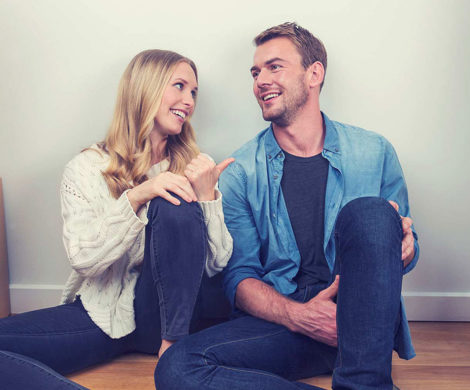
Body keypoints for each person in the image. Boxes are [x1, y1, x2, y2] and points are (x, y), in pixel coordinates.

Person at [155, 23, 419, 390]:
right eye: (255, 72)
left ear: (314, 74)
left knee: (372, 213)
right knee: (177, 366)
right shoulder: (240, 171)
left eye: (274, 67)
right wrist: (299, 316)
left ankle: (363, 378)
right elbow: (239, 277)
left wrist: (404, 247)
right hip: (285, 321)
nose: (260, 80)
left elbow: (406, 246)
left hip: (359, 323)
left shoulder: (374, 152)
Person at [0, 49, 233, 390]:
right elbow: (84, 260)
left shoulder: (195, 166)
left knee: (173, 202)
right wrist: (137, 196)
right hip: (105, 313)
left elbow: (217, 265)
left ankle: (174, 348)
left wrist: (208, 196)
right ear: (145, 89)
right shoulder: (85, 168)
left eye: (194, 92)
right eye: (180, 86)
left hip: (170, 323)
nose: (189, 101)